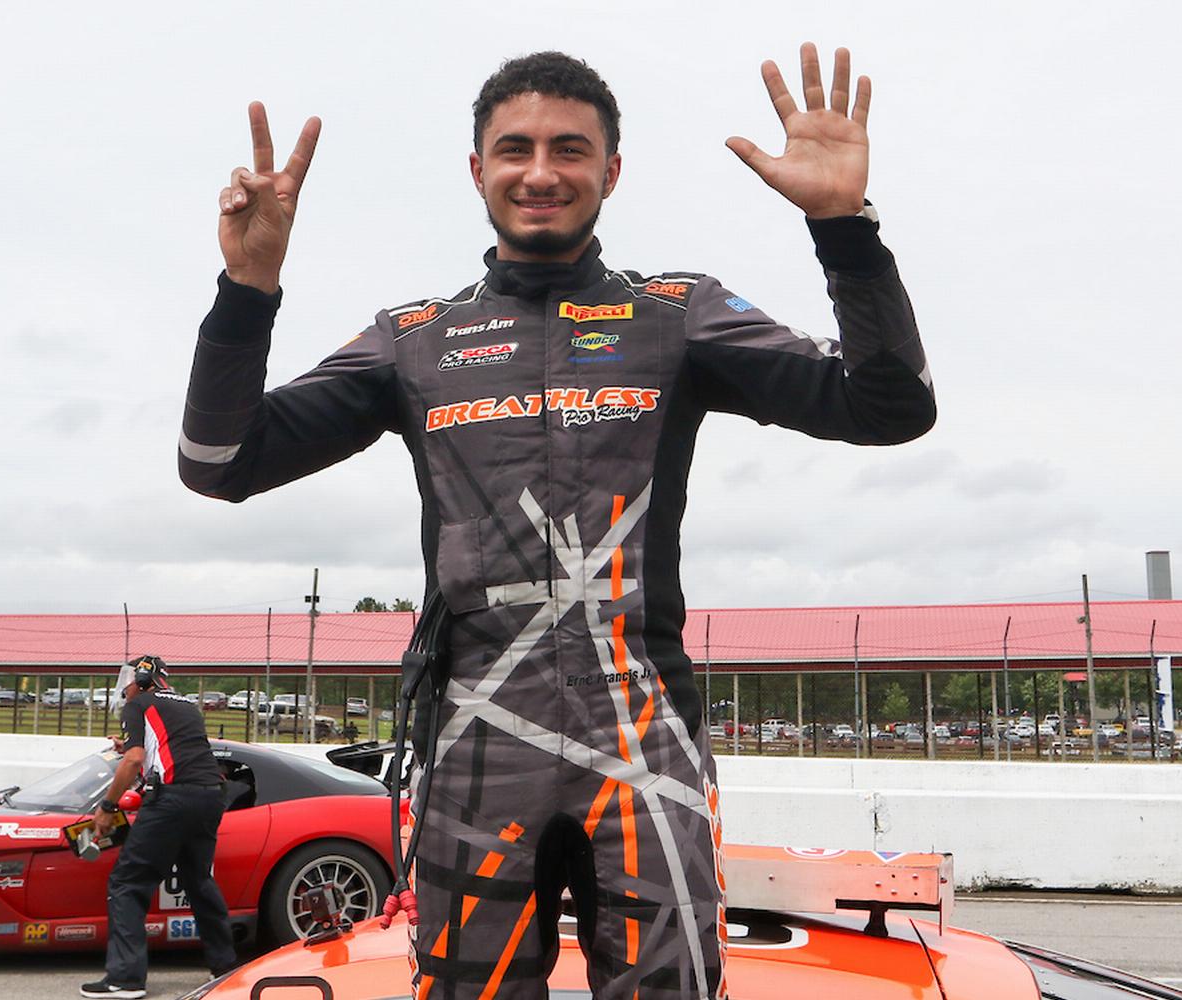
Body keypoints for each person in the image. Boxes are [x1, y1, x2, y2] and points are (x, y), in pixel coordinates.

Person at [179, 44, 934, 999]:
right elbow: (217, 464)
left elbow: (889, 408)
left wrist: (845, 230)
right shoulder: (415, 340)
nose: (541, 173)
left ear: (611, 171)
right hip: (474, 743)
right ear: (477, 170)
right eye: (516, 149)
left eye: (570, 150)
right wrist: (246, 292)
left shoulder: (677, 314)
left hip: (643, 737)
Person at [79, 655, 237, 999]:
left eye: (128, 680)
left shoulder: (138, 705)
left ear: (142, 678)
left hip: (172, 800)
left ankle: (125, 978)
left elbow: (135, 760)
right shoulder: (187, 705)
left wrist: (107, 807)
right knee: (199, 880)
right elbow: (169, 749)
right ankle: (226, 968)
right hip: (210, 796)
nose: (125, 689)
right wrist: (135, 746)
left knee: (127, 882)